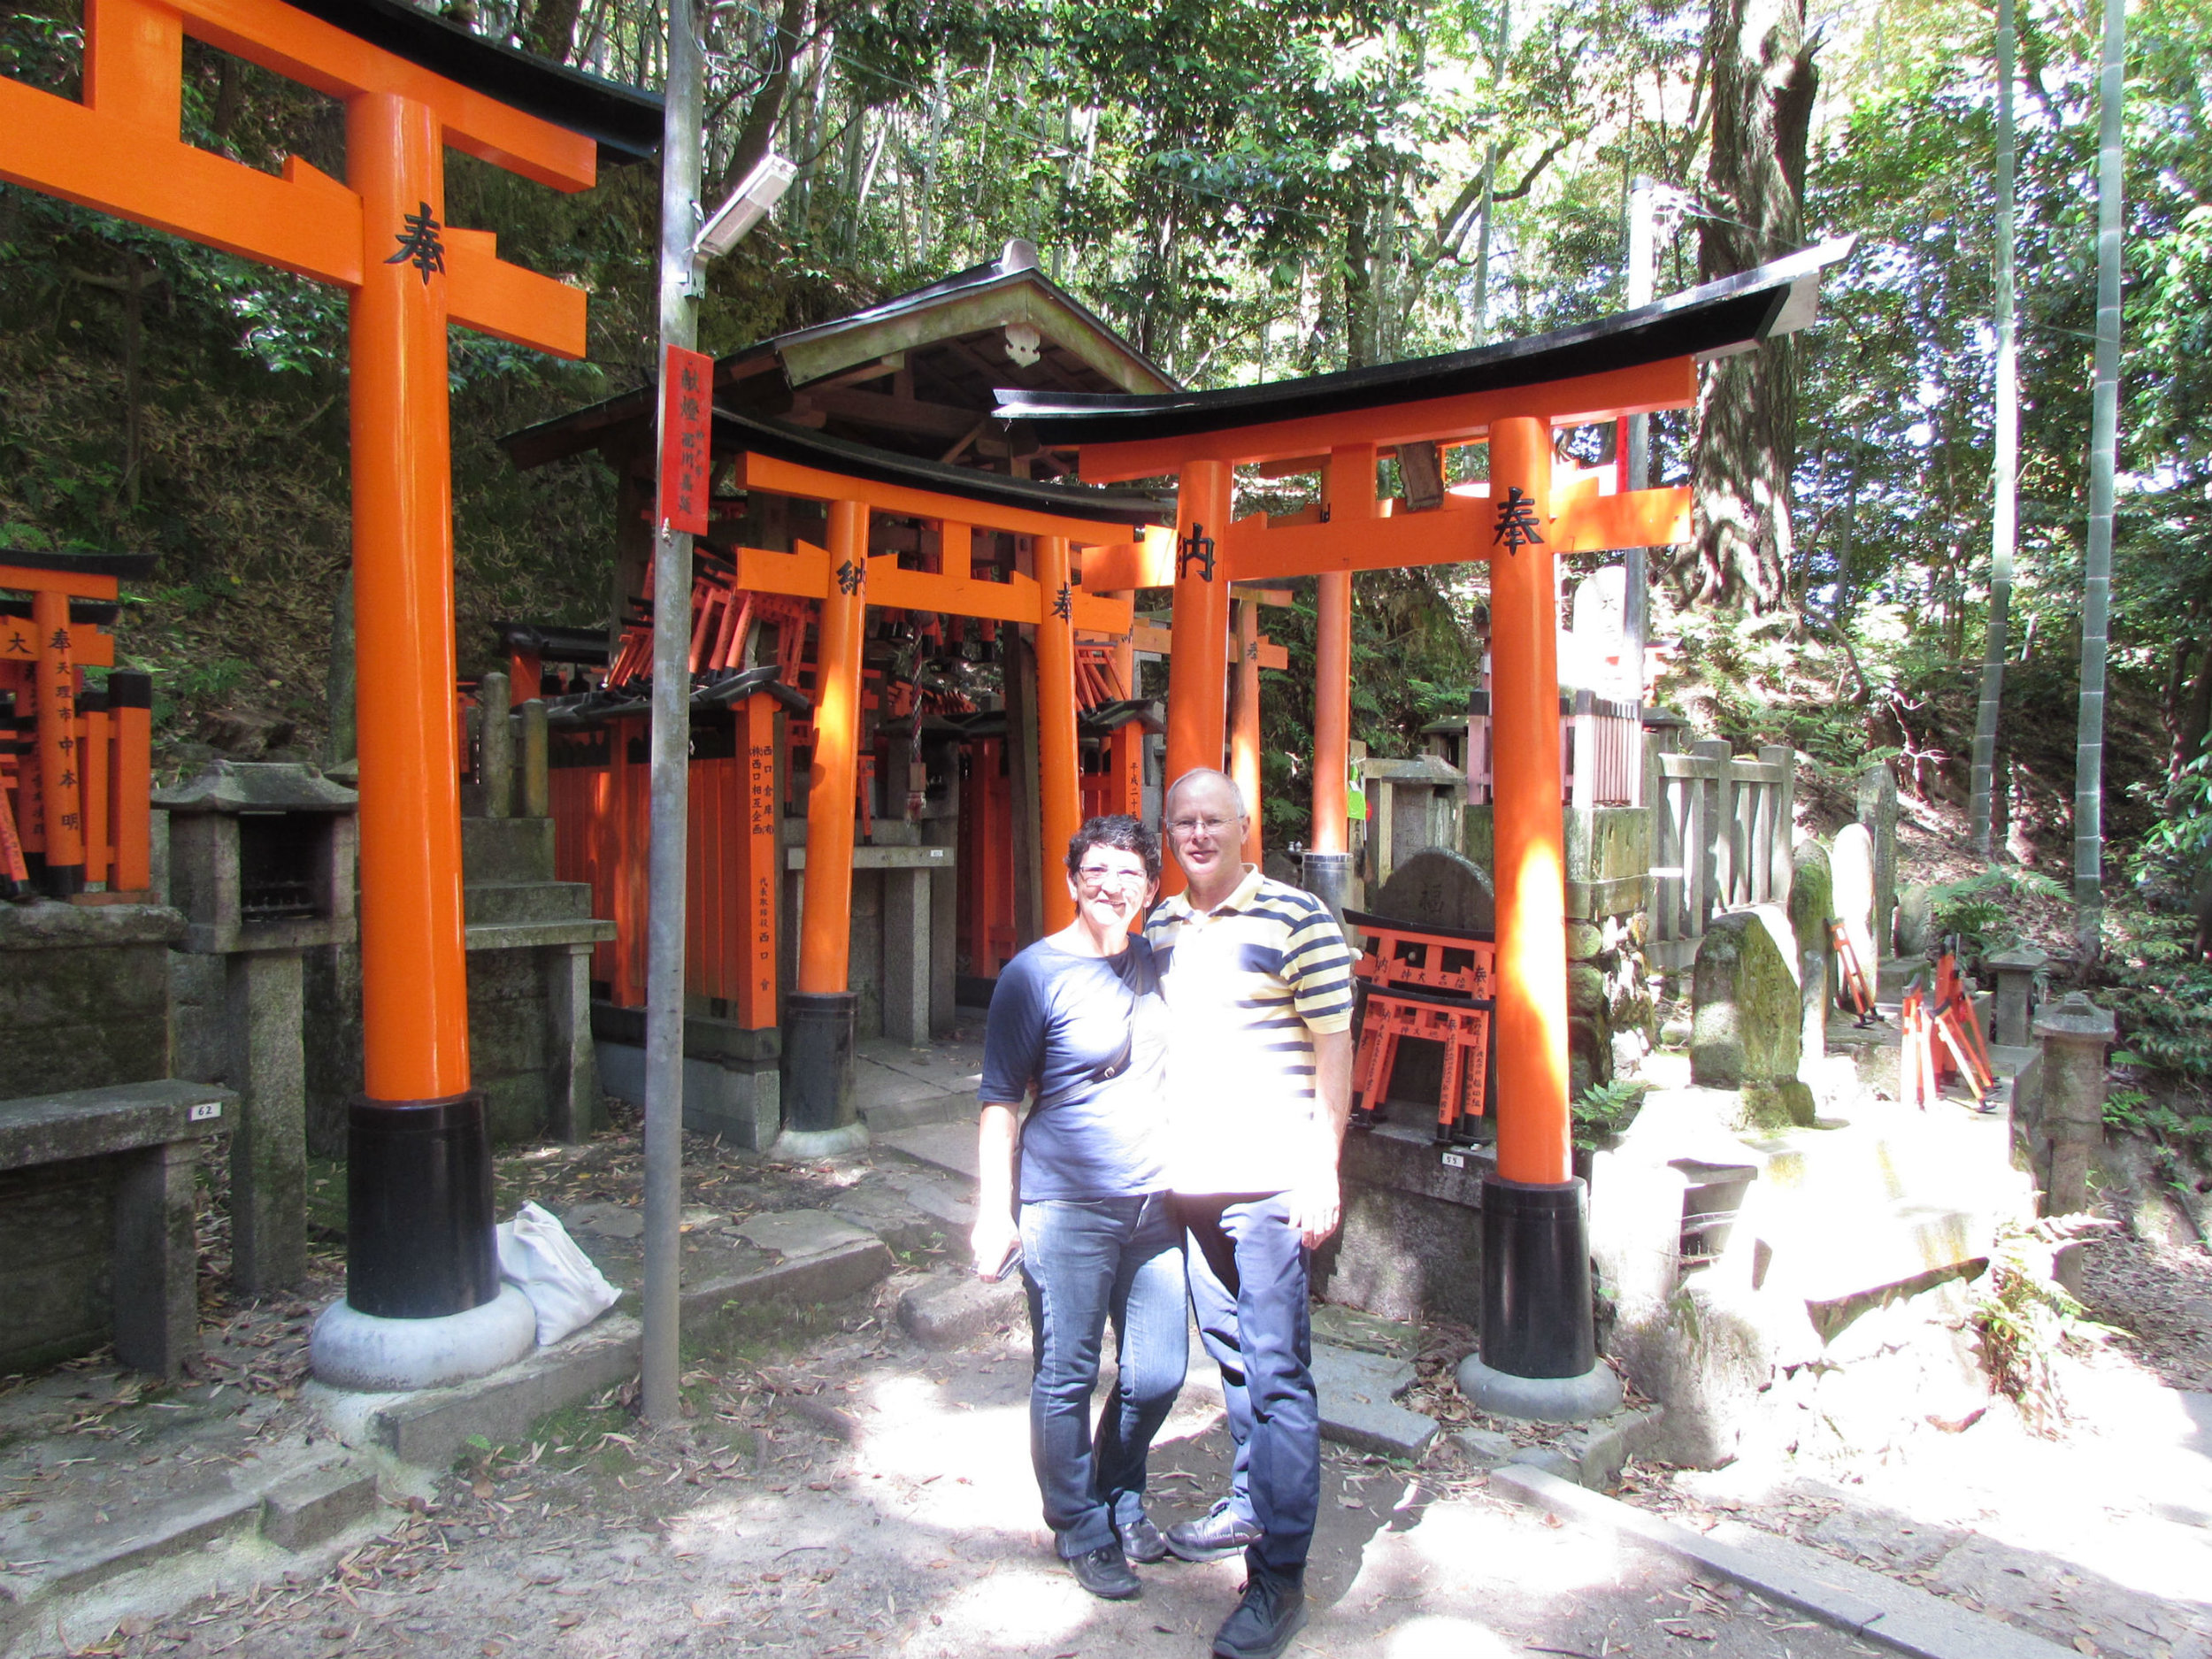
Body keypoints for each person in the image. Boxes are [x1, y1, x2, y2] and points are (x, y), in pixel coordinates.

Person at [1143, 769, 1356, 1659]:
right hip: (1189, 1179)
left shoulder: (1298, 919)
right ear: (1169, 832)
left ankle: (1279, 1579)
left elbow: (1334, 1048)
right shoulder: (1157, 922)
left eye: (1212, 820)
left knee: (1278, 1376)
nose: (1197, 834)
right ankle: (1248, 1497)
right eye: (1182, 822)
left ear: (1245, 828)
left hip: (1268, 1183)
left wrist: (1322, 1170)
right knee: (1230, 1360)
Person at [972, 814, 1187, 1601]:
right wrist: (995, 1212)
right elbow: (1000, 1100)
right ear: (1071, 881)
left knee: (1159, 1372)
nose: (1111, 885)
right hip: (1065, 1203)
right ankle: (1080, 1523)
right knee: (1065, 1373)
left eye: (1130, 873)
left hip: (1157, 1203)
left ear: (1151, 890)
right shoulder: (1033, 974)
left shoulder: (1160, 962)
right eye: (1096, 870)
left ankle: (1117, 1486)